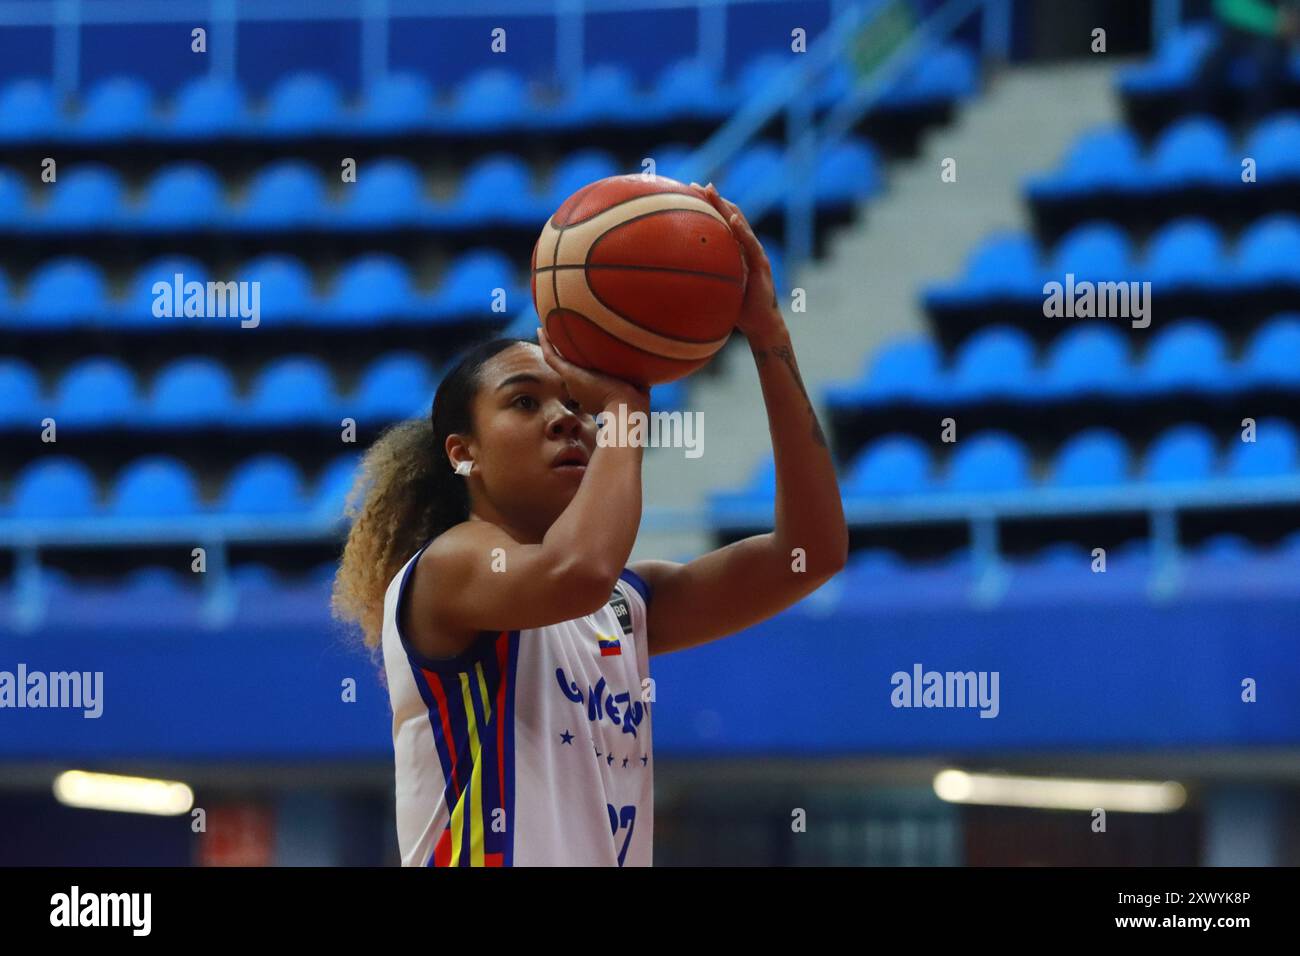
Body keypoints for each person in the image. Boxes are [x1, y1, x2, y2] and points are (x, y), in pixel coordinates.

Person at [331, 183, 848, 866]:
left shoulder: (622, 607)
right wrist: (627, 411)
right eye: (524, 401)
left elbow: (809, 554)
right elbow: (577, 571)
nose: (566, 417)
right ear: (464, 453)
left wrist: (768, 337)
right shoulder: (449, 569)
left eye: (575, 401)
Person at [1195, 0, 1300, 120]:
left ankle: (1260, 125)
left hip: (1275, 37)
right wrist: (1275, 23)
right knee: (1210, 67)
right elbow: (1230, 6)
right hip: (1238, 30)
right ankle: (1203, 125)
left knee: (1268, 62)